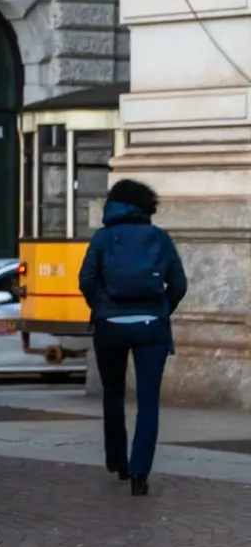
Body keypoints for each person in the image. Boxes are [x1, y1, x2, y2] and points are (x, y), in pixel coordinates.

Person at [80, 179, 187, 497]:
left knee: (113, 393)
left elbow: (86, 278)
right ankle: (141, 472)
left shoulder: (102, 238)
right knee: (148, 400)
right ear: (146, 206)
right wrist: (162, 309)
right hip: (151, 326)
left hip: (109, 325)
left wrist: (99, 306)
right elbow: (178, 283)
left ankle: (117, 461)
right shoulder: (159, 238)